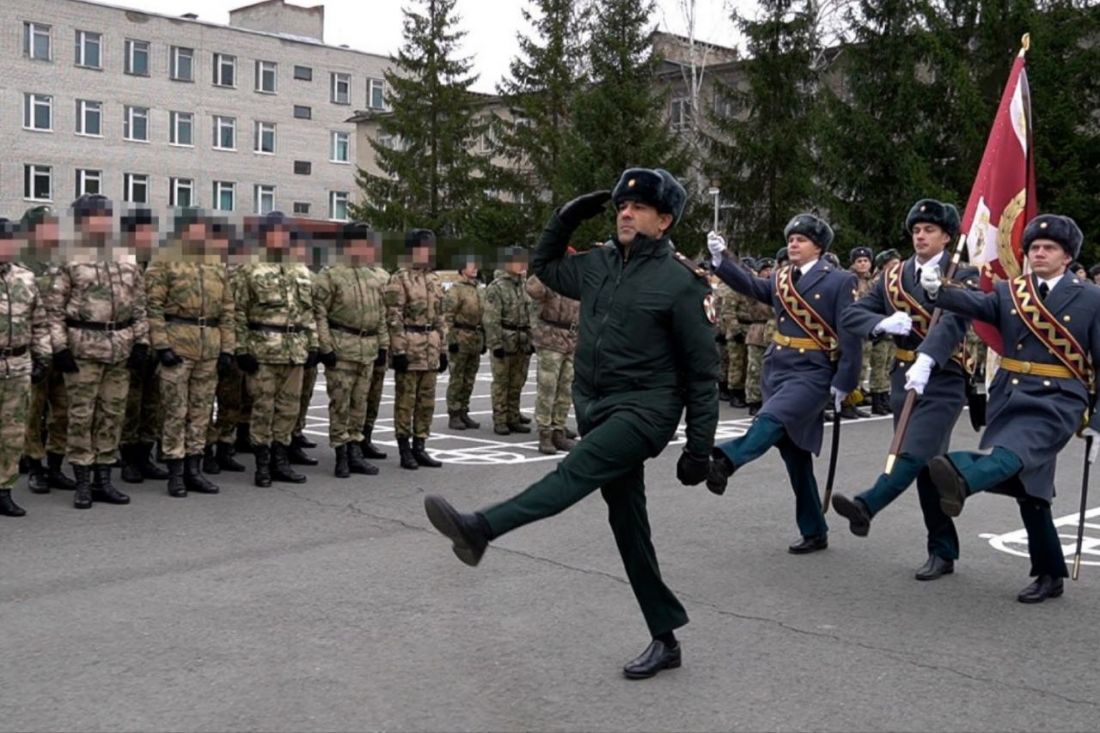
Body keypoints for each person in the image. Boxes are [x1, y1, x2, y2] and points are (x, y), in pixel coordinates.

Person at [423, 168, 719, 679]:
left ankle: (481, 529)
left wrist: (698, 448)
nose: (625, 213)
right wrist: (565, 218)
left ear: (664, 221)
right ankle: (665, 637)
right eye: (622, 207)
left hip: (645, 411)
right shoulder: (599, 264)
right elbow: (545, 265)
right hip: (597, 404)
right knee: (628, 525)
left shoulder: (681, 283)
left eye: (640, 208)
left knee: (574, 471)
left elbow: (703, 374)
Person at [921, 214, 1099, 603]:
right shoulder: (1011, 292)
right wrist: (939, 291)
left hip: (1058, 400)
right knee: (1032, 494)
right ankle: (1050, 574)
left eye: (1048, 248)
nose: (1038, 253)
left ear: (1067, 257)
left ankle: (960, 476)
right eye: (1034, 247)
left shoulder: (1090, 298)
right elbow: (976, 304)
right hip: (1012, 394)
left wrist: (1098, 422)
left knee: (1011, 454)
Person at [831, 200, 974, 581]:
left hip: (943, 376)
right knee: (928, 468)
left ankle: (867, 504)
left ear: (946, 236)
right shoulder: (894, 275)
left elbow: (955, 323)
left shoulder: (962, 272)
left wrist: (930, 357)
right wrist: (882, 323)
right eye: (916, 230)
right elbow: (852, 314)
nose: (921, 236)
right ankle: (942, 551)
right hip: (902, 376)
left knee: (913, 452)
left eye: (929, 230)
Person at [706, 215, 862, 553]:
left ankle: (724, 461)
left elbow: (851, 334)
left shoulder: (839, 280)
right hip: (778, 368)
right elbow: (752, 286)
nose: (793, 244)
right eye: (791, 238)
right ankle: (814, 530)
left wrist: (844, 381)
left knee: (771, 418)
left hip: (813, 372)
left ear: (818, 247)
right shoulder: (782, 278)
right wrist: (722, 260)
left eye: (801, 239)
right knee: (796, 459)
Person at [49, 194, 148, 509]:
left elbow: (139, 305)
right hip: (83, 349)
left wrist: (141, 342)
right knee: (81, 416)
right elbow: (53, 311)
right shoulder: (67, 257)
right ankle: (82, 481)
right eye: (95, 216)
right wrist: (60, 348)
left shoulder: (125, 258)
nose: (103, 221)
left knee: (112, 414)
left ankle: (104, 479)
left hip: (120, 347)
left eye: (106, 215)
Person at [145, 211, 235, 497]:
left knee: (201, 412)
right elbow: (153, 306)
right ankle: (175, 470)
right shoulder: (164, 259)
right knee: (174, 411)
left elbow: (228, 309)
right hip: (177, 344)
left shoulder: (215, 263)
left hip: (208, 346)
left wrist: (227, 348)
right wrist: (161, 346)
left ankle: (194, 469)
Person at [234, 211, 319, 487]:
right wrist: (241, 349)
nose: (280, 237)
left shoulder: (301, 270)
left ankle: (280, 461)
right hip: (263, 351)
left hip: (295, 351)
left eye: (284, 232)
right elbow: (237, 312)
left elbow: (309, 313)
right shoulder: (250, 269)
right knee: (263, 408)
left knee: (288, 409)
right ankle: (262, 464)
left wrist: (314, 345)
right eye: (275, 232)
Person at [313, 223, 390, 478]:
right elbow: (319, 313)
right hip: (342, 347)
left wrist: (382, 345)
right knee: (340, 404)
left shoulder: (372, 276)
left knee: (360, 403)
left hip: (367, 348)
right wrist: (325, 347)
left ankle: (356, 450)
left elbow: (380, 314)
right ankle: (341, 454)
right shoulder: (331, 274)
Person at [19, 206, 76, 494]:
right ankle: (35, 467)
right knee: (33, 411)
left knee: (63, 410)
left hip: (64, 346)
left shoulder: (64, 259)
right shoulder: (20, 262)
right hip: (33, 349)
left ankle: (55, 466)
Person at [0, 221, 51, 516]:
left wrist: (42, 356)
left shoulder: (25, 278)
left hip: (18, 365)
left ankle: (4, 489)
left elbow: (39, 322)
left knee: (12, 432)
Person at [386, 229, 448, 470]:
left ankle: (420, 446)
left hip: (431, 347)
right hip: (410, 347)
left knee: (427, 402)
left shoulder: (434, 279)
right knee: (406, 401)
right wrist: (399, 351)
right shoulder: (399, 278)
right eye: (423, 248)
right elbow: (394, 317)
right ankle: (404, 449)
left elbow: (441, 317)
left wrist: (443, 349)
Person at [118, 208, 170, 484]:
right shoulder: (120, 263)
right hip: (130, 345)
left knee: (153, 404)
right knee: (130, 404)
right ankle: (127, 460)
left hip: (157, 344)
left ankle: (145, 455)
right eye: (144, 230)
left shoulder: (158, 262)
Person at [526, 254, 580, 454]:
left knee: (566, 389)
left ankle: (559, 430)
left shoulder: (577, 280)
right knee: (547, 389)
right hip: (550, 339)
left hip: (572, 338)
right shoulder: (550, 279)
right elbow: (532, 290)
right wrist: (546, 268)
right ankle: (545, 434)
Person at [484, 246, 534, 436]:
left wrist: (531, 339)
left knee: (517, 382)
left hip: (521, 341)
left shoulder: (524, 286)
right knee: (501, 382)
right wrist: (495, 344)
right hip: (505, 341)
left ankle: (513, 417)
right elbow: (491, 319)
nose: (522, 264)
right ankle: (500, 419)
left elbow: (531, 314)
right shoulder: (496, 288)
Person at [443, 256, 485, 430]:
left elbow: (484, 315)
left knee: (469, 378)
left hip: (475, 336)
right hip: (460, 336)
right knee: (457, 378)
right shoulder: (456, 290)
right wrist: (450, 340)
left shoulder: (479, 289)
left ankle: (464, 411)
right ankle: (454, 413)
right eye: (470, 266)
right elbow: (447, 317)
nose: (474, 268)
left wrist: (485, 339)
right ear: (461, 269)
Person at [740, 257, 776, 416]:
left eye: (770, 270)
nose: (767, 273)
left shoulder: (776, 286)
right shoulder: (756, 288)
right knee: (755, 368)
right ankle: (754, 401)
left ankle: (769, 400)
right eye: (764, 270)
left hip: (775, 330)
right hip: (758, 329)